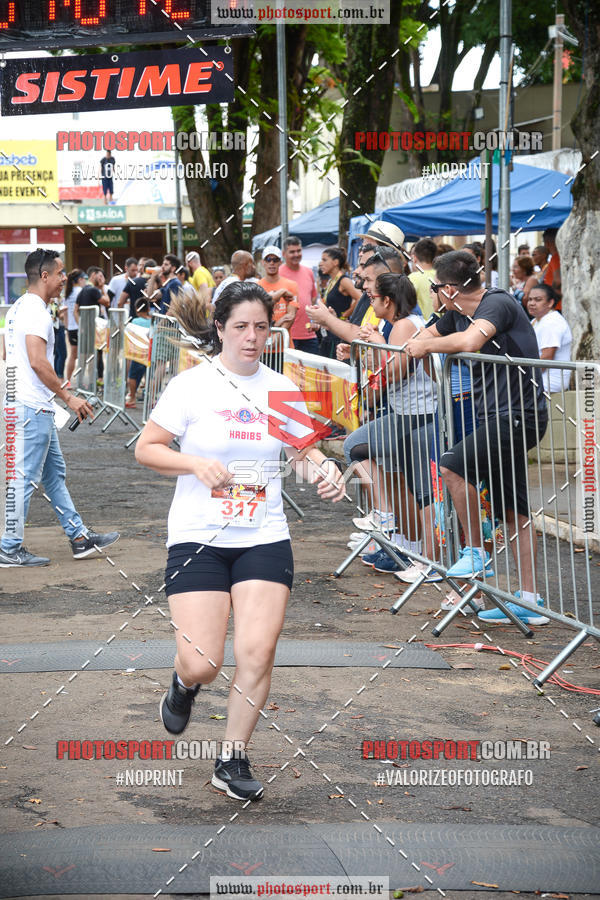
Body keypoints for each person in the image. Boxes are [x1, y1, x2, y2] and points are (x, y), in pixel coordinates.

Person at [134, 280, 345, 801]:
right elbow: (147, 448)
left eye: (261, 328)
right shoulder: (192, 386)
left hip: (264, 535)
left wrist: (328, 469)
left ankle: (231, 759)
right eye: (241, 327)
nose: (251, 338)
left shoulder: (281, 388)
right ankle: (184, 684)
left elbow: (304, 449)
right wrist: (194, 462)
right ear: (221, 329)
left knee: (257, 652)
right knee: (204, 662)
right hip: (198, 537)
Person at [405, 250, 550, 626]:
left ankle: (475, 551)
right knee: (513, 510)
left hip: (520, 416)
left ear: (449, 288)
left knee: (452, 466)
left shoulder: (497, 304)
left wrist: (425, 346)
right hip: (495, 417)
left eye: (436, 287)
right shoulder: (455, 311)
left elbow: (469, 342)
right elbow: (425, 335)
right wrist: (419, 340)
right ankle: (530, 602)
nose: (434, 293)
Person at [0, 249, 120, 567]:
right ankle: (8, 547)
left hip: (28, 405)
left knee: (54, 476)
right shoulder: (36, 311)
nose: (64, 278)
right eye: (60, 273)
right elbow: (38, 361)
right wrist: (68, 397)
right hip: (31, 409)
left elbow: (7, 355)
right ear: (44, 276)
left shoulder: (17, 309)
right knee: (23, 479)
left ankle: (79, 538)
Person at [345, 274, 438, 579]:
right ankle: (392, 524)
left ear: (388, 300)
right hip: (405, 413)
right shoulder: (397, 326)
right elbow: (384, 372)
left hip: (420, 414)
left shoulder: (405, 325)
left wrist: (379, 344)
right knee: (359, 449)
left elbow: (395, 371)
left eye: (372, 297)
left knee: (424, 489)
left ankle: (429, 562)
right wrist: (362, 351)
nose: (369, 302)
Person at [318, 246, 362, 358]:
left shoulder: (344, 280)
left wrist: (346, 314)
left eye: (324, 260)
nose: (320, 263)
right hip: (328, 332)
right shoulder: (331, 281)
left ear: (335, 262)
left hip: (338, 335)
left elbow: (360, 298)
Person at [527, 283, 572, 393]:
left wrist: (525, 376)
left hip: (548, 382)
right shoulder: (536, 320)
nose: (532, 303)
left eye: (538, 300)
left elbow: (547, 357)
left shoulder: (552, 322)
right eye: (530, 299)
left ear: (550, 303)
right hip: (538, 379)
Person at [279, 237, 320, 355]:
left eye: (298, 251)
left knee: (311, 371)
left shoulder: (309, 272)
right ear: (284, 254)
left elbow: (312, 299)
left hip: (309, 334)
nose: (296, 254)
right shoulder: (278, 273)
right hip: (287, 334)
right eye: (292, 252)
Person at [258, 245, 299, 341]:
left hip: (284, 346)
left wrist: (276, 337)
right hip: (261, 345)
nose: (272, 263)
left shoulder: (291, 285)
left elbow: (291, 316)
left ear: (280, 262)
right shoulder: (256, 286)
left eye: (275, 260)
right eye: (268, 259)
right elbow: (258, 314)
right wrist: (278, 323)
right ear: (263, 262)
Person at [77, 267, 110, 382]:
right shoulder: (94, 290)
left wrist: (80, 324)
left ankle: (85, 381)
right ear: (93, 275)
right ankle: (93, 382)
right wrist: (102, 288)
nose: (102, 279)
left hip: (86, 328)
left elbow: (75, 309)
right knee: (95, 355)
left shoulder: (83, 290)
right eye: (100, 276)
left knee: (86, 354)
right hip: (95, 329)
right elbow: (107, 302)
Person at [125, 298, 152, 408]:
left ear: (137, 309)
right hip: (149, 353)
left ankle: (132, 397)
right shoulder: (152, 321)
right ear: (148, 309)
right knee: (149, 376)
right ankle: (150, 398)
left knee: (133, 376)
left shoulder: (135, 322)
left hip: (138, 353)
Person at [64, 269, 86, 384]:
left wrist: (67, 328)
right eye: (84, 279)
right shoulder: (80, 291)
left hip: (71, 328)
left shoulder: (68, 293)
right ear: (79, 280)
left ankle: (68, 381)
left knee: (73, 355)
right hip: (80, 327)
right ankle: (80, 382)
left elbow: (65, 313)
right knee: (81, 355)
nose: (85, 281)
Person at [408, 238, 437, 320]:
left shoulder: (412, 278)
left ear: (414, 258)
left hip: (421, 326)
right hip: (442, 326)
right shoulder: (441, 276)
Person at [542, 228, 561, 307]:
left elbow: (558, 280)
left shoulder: (556, 258)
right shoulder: (557, 257)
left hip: (557, 305)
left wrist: (549, 295)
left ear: (547, 243)